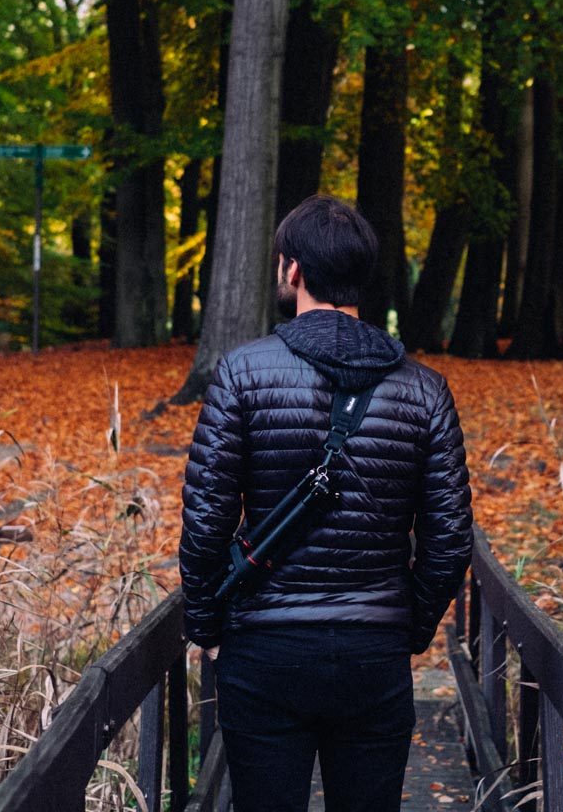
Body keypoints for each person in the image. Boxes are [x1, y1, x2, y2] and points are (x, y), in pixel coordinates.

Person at [179, 194, 473, 812]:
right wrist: (407, 628)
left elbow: (207, 521)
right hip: (373, 656)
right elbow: (449, 539)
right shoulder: (426, 391)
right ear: (360, 275)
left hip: (265, 651)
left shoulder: (240, 373)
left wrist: (206, 626)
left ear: (292, 270)